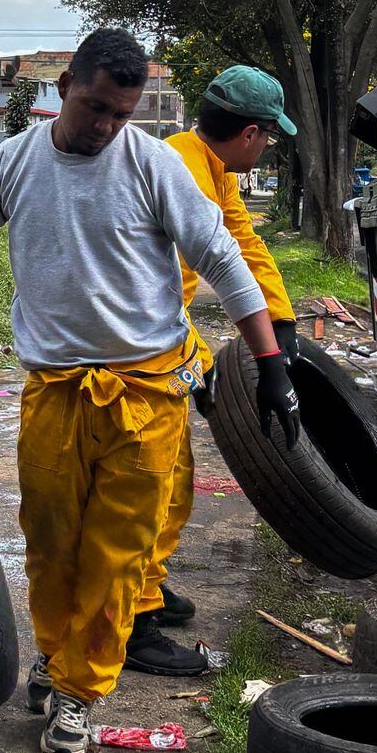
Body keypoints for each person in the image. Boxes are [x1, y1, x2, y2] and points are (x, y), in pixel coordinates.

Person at [0, 28, 301, 753]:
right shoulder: (15, 164)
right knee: (53, 546)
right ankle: (56, 659)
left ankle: (81, 693)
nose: (106, 128)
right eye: (95, 109)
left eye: (121, 114)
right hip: (54, 393)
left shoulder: (152, 164)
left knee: (118, 556)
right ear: (63, 90)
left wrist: (271, 361)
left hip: (147, 395)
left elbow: (224, 256)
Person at [124, 65, 303, 676]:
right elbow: (155, 292)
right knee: (158, 485)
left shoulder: (211, 167)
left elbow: (244, 245)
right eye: (270, 135)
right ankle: (134, 620)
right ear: (250, 133)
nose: (270, 145)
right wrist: (207, 364)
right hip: (134, 354)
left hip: (160, 338)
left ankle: (146, 587)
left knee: (171, 479)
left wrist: (279, 324)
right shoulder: (182, 173)